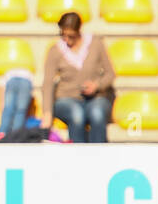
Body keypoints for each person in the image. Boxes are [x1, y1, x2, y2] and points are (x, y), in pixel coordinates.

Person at [42, 11, 116, 143]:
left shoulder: (95, 44)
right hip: (67, 99)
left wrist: (97, 85)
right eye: (63, 35)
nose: (67, 40)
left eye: (71, 36)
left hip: (96, 98)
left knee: (97, 113)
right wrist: (47, 113)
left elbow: (110, 74)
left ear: (79, 31)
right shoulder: (56, 50)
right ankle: (77, 157)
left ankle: (99, 155)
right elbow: (47, 83)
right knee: (77, 114)